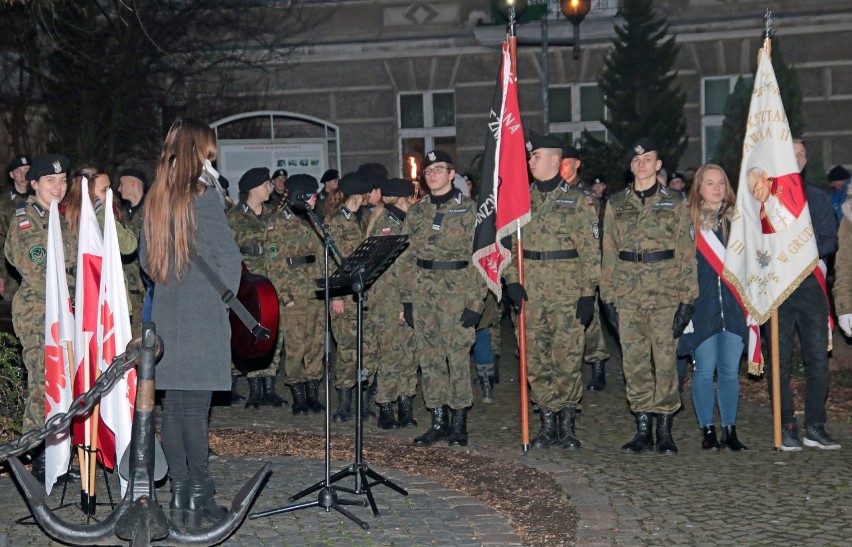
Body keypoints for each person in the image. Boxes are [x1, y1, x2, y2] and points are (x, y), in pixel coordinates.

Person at [139, 118, 241, 528]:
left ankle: (180, 493)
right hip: (201, 313)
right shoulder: (206, 193)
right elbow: (227, 258)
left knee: (175, 411)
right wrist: (221, 297)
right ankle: (199, 495)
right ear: (201, 148)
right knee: (194, 413)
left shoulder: (157, 196)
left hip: (167, 312)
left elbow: (147, 260)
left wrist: (172, 282)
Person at [601, 138, 698, 455]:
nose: (641, 163)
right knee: (635, 363)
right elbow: (609, 253)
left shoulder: (676, 202)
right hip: (628, 293)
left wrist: (688, 299)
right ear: (631, 167)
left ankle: (665, 430)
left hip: (665, 292)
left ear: (658, 165)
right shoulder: (616, 204)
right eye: (636, 160)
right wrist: (608, 298)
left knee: (666, 361)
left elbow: (686, 253)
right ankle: (643, 428)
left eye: (648, 159)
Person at [504, 136, 601, 450]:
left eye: (536, 156)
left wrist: (588, 294)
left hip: (567, 292)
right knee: (534, 359)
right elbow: (505, 248)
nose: (530, 161)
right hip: (529, 291)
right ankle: (547, 423)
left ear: (555, 161)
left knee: (568, 359)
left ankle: (567, 424)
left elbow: (590, 251)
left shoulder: (577, 200)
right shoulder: (519, 200)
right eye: (530, 156)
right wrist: (511, 281)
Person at [398, 150, 483, 447]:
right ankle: (438, 420)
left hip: (456, 292)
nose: (433, 174)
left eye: (439, 169)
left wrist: (476, 302)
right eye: (429, 170)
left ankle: (459, 422)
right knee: (430, 358)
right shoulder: (416, 211)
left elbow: (480, 259)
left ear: (452, 174)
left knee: (457, 358)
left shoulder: (470, 210)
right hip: (422, 293)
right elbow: (405, 257)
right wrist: (407, 299)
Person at [4, 154, 76, 481]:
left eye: (63, 181)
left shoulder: (58, 218)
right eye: (51, 181)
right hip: (38, 311)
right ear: (34, 184)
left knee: (64, 381)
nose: (58, 187)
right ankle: (36, 455)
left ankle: (57, 454)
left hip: (63, 310)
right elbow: (39, 270)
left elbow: (74, 262)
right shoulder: (25, 217)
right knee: (44, 381)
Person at [765, 138, 839, 451]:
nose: (796, 158)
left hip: (810, 286)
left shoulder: (818, 198)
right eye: (790, 154)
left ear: (806, 160)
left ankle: (814, 426)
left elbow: (829, 240)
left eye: (801, 154)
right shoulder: (765, 199)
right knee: (779, 361)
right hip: (778, 288)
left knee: (817, 359)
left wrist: (801, 257)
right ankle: (787, 426)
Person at [678, 164, 748, 451]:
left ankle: (729, 430)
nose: (717, 188)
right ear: (699, 187)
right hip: (702, 307)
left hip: (734, 306)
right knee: (705, 370)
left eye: (721, 182)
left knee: (730, 370)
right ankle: (707, 430)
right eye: (710, 183)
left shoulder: (741, 222)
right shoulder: (688, 223)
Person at [226, 167, 288, 410]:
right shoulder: (234, 216)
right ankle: (254, 390)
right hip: (247, 281)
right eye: (266, 184)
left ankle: (270, 388)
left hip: (272, 276)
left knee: (274, 330)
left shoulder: (273, 215)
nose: (270, 188)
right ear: (253, 188)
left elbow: (277, 247)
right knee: (251, 330)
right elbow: (228, 250)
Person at [265, 174, 326, 415]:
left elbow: (322, 256)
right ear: (301, 194)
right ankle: (298, 396)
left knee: (316, 345)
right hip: (294, 295)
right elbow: (273, 261)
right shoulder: (277, 223)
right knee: (296, 347)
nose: (316, 198)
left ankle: (313, 394)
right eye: (312, 194)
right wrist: (284, 295)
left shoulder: (314, 219)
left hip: (316, 292)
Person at [362, 177, 418, 428]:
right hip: (390, 298)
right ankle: (385, 405)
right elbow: (400, 267)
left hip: (403, 297)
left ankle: (405, 405)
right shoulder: (388, 225)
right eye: (413, 198)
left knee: (408, 353)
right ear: (405, 199)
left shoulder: (401, 221)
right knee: (391, 354)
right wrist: (404, 303)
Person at [558, 147, 610, 392]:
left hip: (584, 263)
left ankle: (597, 365)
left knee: (590, 320)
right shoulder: (554, 191)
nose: (561, 166)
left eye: (566, 162)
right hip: (559, 267)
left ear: (577, 164)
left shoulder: (586, 194)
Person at [325, 170, 373, 422]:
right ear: (359, 192)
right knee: (346, 349)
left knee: (367, 349)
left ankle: (363, 401)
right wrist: (336, 295)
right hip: (344, 294)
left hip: (364, 294)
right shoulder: (335, 220)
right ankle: (344, 402)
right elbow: (332, 260)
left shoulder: (365, 218)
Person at [117, 168, 149, 337]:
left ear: (133, 183)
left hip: (147, 291)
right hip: (126, 291)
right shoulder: (119, 214)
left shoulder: (153, 211)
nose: (119, 189)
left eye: (122, 184)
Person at [0, 154, 32, 301]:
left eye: (27, 170)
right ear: (11, 174)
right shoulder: (3, 202)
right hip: (10, 271)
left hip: (37, 267)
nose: (23, 175)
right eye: (18, 171)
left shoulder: (41, 198)